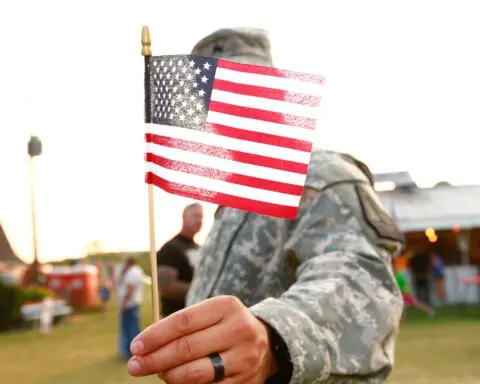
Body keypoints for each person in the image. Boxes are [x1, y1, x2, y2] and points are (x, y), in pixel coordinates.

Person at [127, 27, 404, 383]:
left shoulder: (319, 174)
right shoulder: (231, 205)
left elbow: (360, 280)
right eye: (211, 101)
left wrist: (273, 337)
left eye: (242, 90)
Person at [156, 203, 203, 318]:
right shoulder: (171, 248)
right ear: (184, 217)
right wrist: (202, 288)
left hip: (196, 315)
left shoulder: (197, 248)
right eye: (195, 216)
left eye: (201, 217)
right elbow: (165, 287)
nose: (199, 220)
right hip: (176, 319)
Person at [116, 254, 145, 360]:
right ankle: (134, 350)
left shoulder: (132, 272)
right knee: (133, 327)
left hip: (129, 305)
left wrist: (124, 303)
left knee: (128, 328)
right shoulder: (136, 270)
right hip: (134, 303)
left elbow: (130, 289)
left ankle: (129, 352)